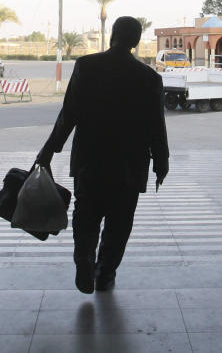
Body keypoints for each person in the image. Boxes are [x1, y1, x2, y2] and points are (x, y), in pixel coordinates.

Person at [36, 16, 169, 293]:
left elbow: (68, 114)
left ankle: (84, 258)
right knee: (119, 225)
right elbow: (156, 124)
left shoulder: (87, 67)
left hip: (90, 161)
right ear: (135, 41)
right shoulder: (149, 78)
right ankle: (105, 273)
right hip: (129, 167)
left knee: (86, 216)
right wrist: (161, 161)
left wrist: (49, 150)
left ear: (112, 35)